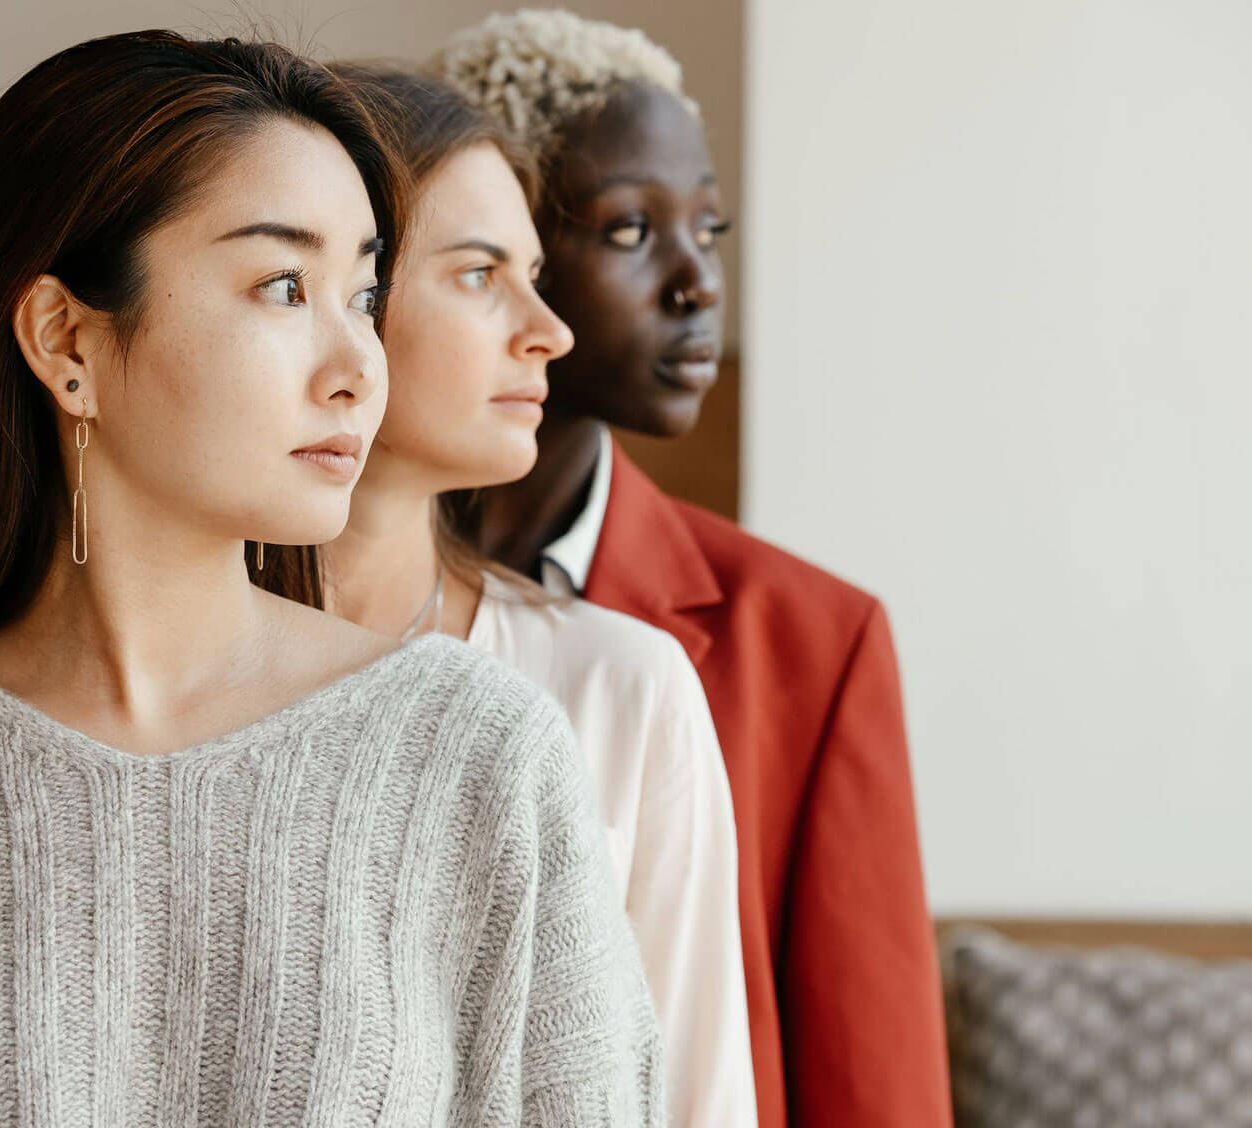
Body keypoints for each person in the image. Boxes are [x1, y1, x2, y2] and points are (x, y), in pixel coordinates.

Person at [0, 31, 663, 1126]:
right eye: (281, 284)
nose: (358, 364)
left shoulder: (480, 759)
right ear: (65, 338)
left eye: (362, 293)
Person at [435, 11, 953, 1128]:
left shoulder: (810, 641)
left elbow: (875, 1088)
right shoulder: (284, 598)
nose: (698, 283)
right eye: (629, 231)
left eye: (707, 229)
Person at [325, 67, 756, 1128]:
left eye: (533, 271)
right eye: (479, 274)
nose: (547, 332)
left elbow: (697, 1101)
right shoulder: (145, 682)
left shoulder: (623, 686)